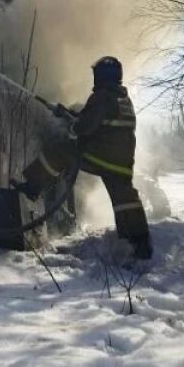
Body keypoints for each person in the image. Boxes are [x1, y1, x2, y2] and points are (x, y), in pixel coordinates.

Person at [70, 56, 152, 259]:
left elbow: (86, 126)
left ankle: (32, 186)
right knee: (124, 201)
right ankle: (136, 240)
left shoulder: (103, 96)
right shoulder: (123, 98)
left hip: (103, 157)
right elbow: (107, 125)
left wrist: (74, 125)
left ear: (101, 76)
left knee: (61, 151)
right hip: (122, 161)